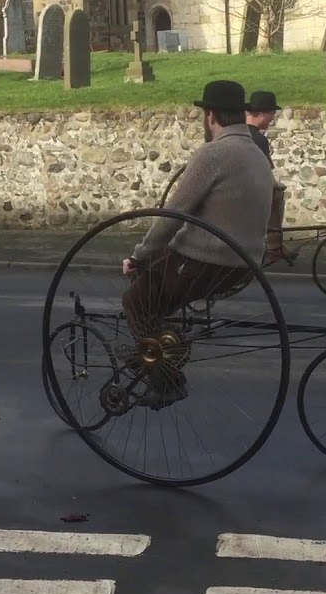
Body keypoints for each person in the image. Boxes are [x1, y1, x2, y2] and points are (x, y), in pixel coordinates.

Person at [119, 80, 275, 408]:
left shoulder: (213, 154)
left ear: (211, 115)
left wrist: (139, 255)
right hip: (245, 265)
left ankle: (166, 376)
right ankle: (163, 342)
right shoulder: (258, 155)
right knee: (159, 283)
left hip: (207, 263)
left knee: (136, 298)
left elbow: (173, 214)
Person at [245, 90, 294, 264]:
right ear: (263, 113)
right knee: (278, 191)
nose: (272, 120)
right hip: (248, 193)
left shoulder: (238, 132)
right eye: (271, 115)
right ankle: (275, 245)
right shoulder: (258, 139)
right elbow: (266, 173)